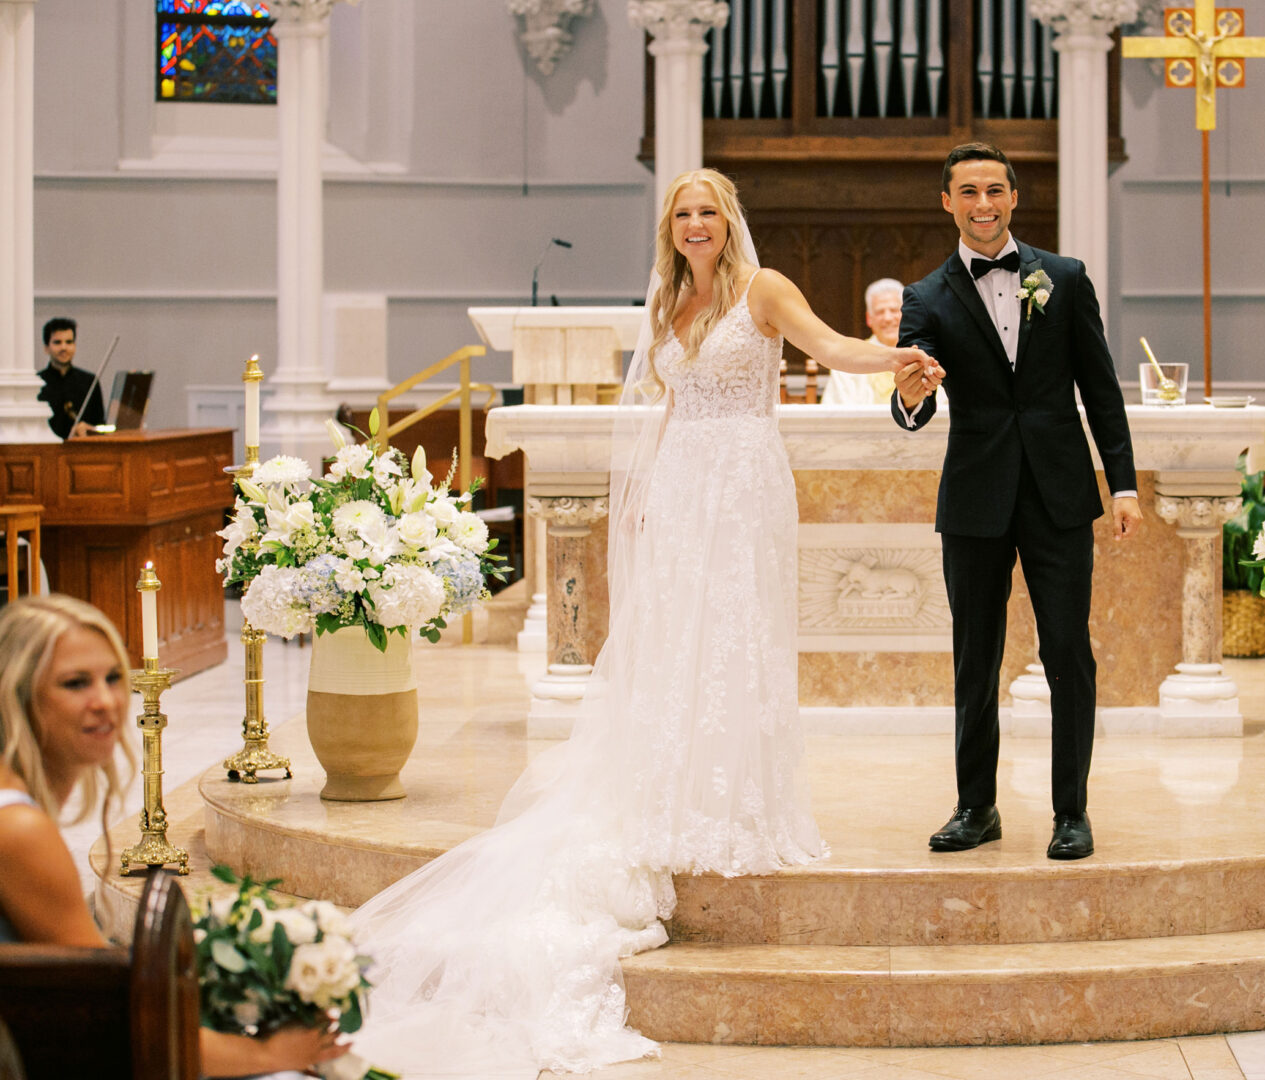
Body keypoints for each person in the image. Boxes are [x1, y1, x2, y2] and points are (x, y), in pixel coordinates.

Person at [348, 168, 940, 1075]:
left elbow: (830, 348)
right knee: (675, 643)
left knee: (736, 640)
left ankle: (736, 801)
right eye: (682, 214)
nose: (695, 225)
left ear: (727, 220)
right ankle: (669, 787)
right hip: (683, 482)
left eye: (707, 212)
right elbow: (664, 407)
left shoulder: (763, 289)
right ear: (668, 229)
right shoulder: (665, 301)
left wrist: (897, 357)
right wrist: (650, 502)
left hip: (744, 481)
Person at [892, 142, 1141, 861]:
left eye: (994, 190)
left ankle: (1071, 811)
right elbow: (913, 399)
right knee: (975, 657)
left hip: (1059, 494)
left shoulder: (1062, 278)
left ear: (1012, 197)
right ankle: (976, 807)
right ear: (947, 202)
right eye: (967, 192)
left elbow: (1099, 388)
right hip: (973, 497)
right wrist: (909, 398)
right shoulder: (926, 296)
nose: (982, 204)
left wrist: (1120, 483)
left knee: (1067, 652)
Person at [0, 595, 348, 1077]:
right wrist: (273, 1054)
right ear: (17, 696)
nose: (105, 701)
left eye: (113, 677)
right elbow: (115, 1016)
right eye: (75, 683)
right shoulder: (17, 829)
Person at [822, 278, 914, 405]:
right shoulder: (849, 359)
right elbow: (836, 415)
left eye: (893, 310)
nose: (887, 318)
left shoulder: (926, 355)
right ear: (869, 318)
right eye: (880, 312)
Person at [35, 318, 105, 441]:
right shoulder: (37, 383)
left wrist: (90, 429)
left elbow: (102, 427)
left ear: (75, 345)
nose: (64, 347)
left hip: (82, 451)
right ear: (46, 348)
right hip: (49, 451)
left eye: (69, 342)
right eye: (57, 342)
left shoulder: (90, 381)